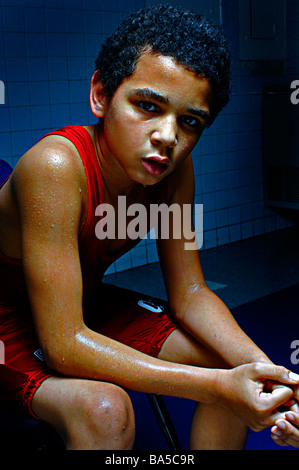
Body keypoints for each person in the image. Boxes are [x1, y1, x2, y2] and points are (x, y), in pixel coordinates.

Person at [0, 4, 298, 450]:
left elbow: (191, 293)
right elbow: (65, 343)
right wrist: (218, 387)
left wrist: (270, 376)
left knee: (225, 364)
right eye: (147, 106)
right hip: (8, 320)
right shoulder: (55, 166)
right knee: (106, 410)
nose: (167, 135)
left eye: (189, 121)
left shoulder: (174, 171)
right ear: (100, 94)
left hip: (80, 303)